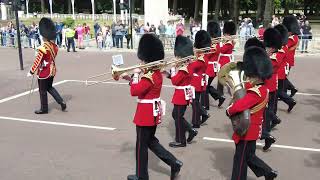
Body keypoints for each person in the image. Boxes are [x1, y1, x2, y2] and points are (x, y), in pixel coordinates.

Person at [122, 34, 183, 180]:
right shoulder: (154, 73)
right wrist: (130, 79)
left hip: (145, 115)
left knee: (141, 146)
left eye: (142, 59)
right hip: (152, 113)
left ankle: (141, 176)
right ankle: (174, 162)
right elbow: (141, 89)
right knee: (150, 141)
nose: (140, 62)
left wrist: (135, 75)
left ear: (147, 58)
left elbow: (135, 91)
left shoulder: (148, 76)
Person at [226, 46, 278, 180]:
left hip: (246, 129)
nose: (248, 78)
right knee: (249, 156)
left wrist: (229, 109)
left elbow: (239, 106)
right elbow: (246, 87)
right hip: (253, 129)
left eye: (251, 76)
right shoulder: (262, 88)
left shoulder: (256, 93)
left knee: (240, 159)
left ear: (257, 75)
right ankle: (268, 172)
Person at [162, 36, 198, 148]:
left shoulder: (184, 68)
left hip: (181, 95)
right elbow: (178, 79)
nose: (176, 58)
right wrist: (167, 74)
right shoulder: (188, 66)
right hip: (183, 93)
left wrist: (173, 68)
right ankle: (190, 130)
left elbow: (175, 81)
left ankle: (181, 140)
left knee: (177, 116)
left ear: (182, 56)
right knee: (177, 115)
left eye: (177, 56)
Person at [27, 18, 67, 114]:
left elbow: (38, 60)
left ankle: (44, 109)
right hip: (52, 70)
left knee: (42, 91)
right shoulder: (54, 46)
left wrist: (31, 71)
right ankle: (61, 101)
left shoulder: (43, 47)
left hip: (44, 71)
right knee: (50, 87)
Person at [262, 28, 283, 150]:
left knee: (262, 111)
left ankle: (266, 135)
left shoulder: (275, 57)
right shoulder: (270, 54)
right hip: (266, 85)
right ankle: (272, 121)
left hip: (268, 86)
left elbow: (266, 69)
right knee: (263, 111)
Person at [202, 21, 225, 111]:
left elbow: (206, 56)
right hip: (213, 68)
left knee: (204, 88)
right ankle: (219, 97)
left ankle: (205, 107)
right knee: (206, 86)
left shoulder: (213, 45)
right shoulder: (216, 43)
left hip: (209, 69)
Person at [190, 30, 211, 128]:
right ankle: (197, 120)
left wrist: (187, 61)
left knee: (194, 102)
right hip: (198, 80)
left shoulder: (202, 58)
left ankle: (198, 120)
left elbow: (193, 67)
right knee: (195, 101)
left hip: (196, 81)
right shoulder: (201, 55)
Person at [282, 15, 299, 109]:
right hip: (286, 59)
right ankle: (285, 92)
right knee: (283, 77)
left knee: (282, 77)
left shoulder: (292, 38)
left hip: (286, 60)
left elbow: (284, 47)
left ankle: (290, 90)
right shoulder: (293, 37)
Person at [217, 21, 236, 96]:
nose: (223, 35)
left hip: (224, 61)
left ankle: (220, 93)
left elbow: (221, 50)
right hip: (224, 60)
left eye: (225, 34)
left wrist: (218, 44)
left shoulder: (229, 43)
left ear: (228, 34)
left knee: (222, 77)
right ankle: (221, 92)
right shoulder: (228, 42)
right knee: (223, 77)